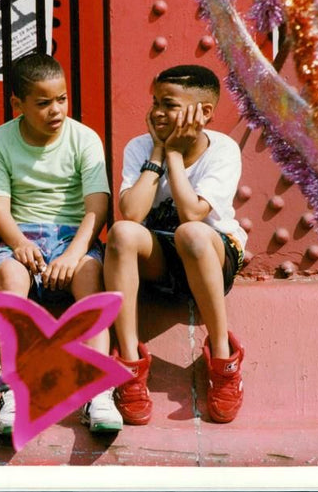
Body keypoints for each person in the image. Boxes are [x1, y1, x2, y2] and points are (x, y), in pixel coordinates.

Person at [0, 52, 122, 434]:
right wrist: (16, 242)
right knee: (11, 281)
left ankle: (99, 393)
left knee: (91, 280)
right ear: (18, 104)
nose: (55, 110)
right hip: (21, 234)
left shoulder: (84, 138)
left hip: (72, 235)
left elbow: (97, 204)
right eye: (43, 103)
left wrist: (75, 253)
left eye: (61, 99)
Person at [104, 65, 247, 425]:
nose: (156, 112)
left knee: (191, 233)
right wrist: (156, 152)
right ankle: (131, 366)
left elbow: (191, 214)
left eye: (168, 104)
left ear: (205, 112)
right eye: (155, 102)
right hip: (161, 262)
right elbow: (132, 214)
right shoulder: (140, 146)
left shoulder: (223, 150)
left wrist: (175, 155)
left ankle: (223, 358)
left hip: (210, 255)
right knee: (121, 233)